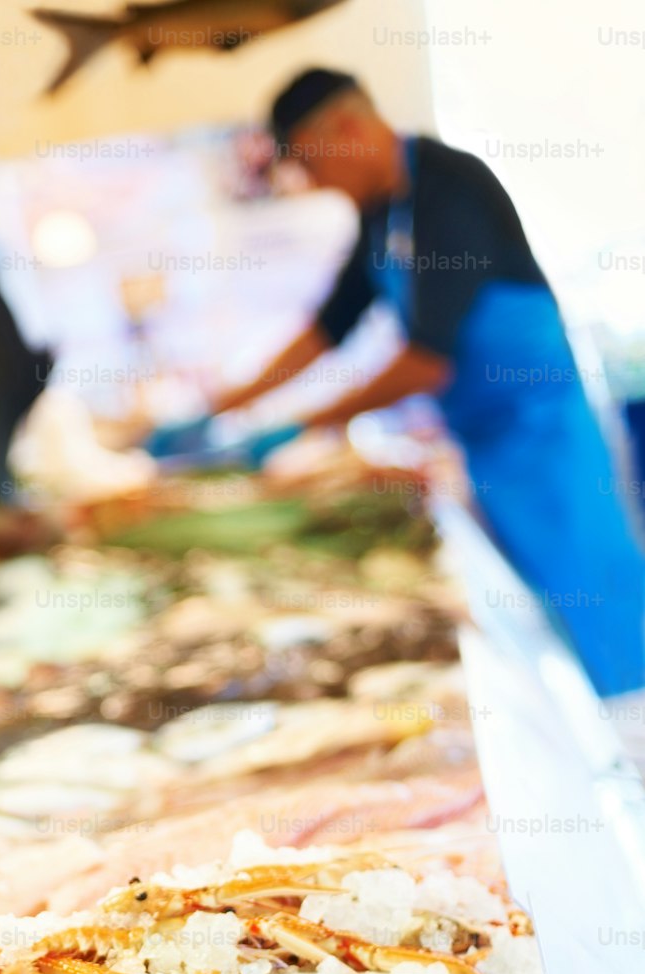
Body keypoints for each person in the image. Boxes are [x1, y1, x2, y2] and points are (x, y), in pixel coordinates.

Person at [158, 68, 645, 697]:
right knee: (551, 613)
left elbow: (425, 362)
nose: (310, 181)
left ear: (351, 128)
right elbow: (329, 326)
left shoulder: (448, 190)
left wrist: (303, 423)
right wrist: (220, 406)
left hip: (547, 438)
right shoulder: (381, 210)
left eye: (309, 161)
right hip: (485, 441)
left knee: (600, 593)